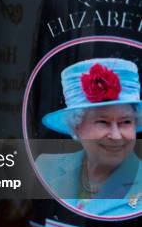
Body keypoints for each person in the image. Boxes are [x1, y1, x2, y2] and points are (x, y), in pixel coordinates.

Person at [36, 58, 142, 217]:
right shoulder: (45, 167)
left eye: (125, 122)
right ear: (76, 126)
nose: (115, 135)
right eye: (103, 122)